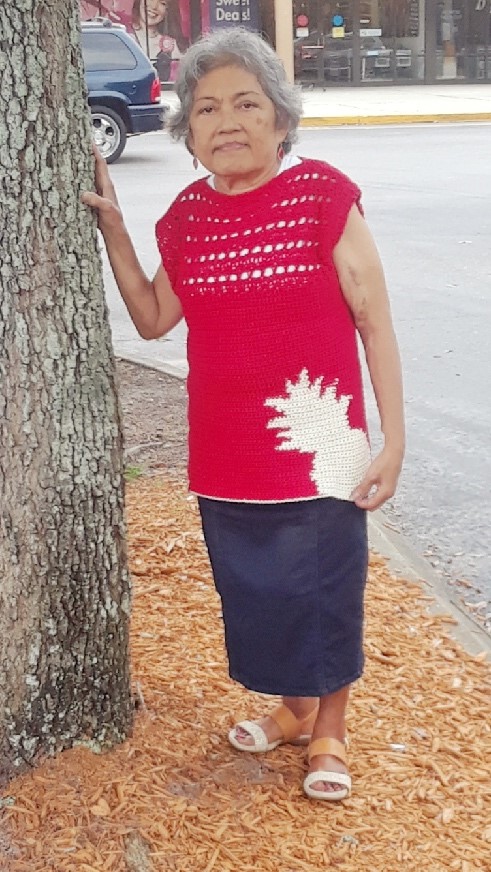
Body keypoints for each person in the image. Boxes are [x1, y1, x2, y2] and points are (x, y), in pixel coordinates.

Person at [82, 27, 405, 802]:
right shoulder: (188, 217)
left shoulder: (324, 196)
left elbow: (373, 318)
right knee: (256, 591)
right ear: (187, 134)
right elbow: (157, 317)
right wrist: (117, 232)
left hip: (320, 438)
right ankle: (292, 711)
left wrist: (392, 438)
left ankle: (329, 728)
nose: (225, 121)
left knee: (326, 589)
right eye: (205, 109)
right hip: (225, 449)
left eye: (245, 104)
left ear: (280, 120)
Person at [131, 0, 189, 81]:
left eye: (162, 3)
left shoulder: (172, 45)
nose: (154, 6)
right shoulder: (122, 37)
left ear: (168, 10)